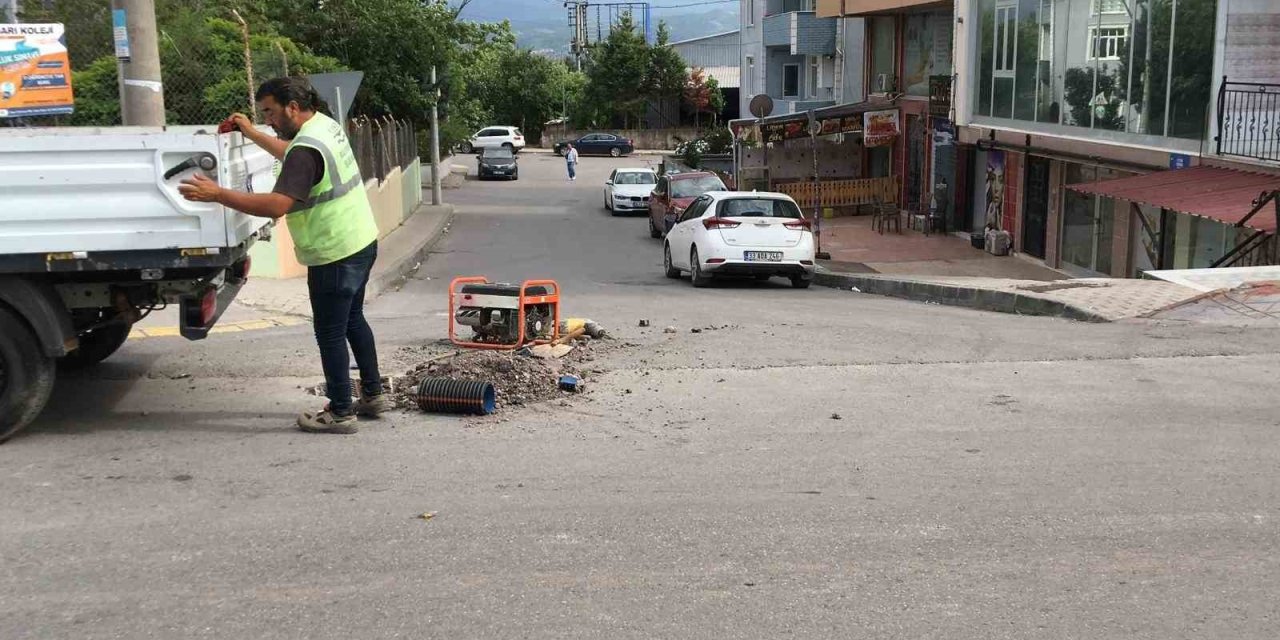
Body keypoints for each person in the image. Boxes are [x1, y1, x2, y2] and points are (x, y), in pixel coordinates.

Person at [177, 77, 388, 435]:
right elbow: (290, 157)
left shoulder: (306, 147)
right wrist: (251, 133)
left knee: (331, 333)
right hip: (361, 240)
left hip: (333, 251)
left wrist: (217, 194)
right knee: (353, 320)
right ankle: (373, 394)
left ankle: (340, 412)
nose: (269, 120)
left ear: (292, 106)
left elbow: (278, 204)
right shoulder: (324, 126)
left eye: (271, 113)